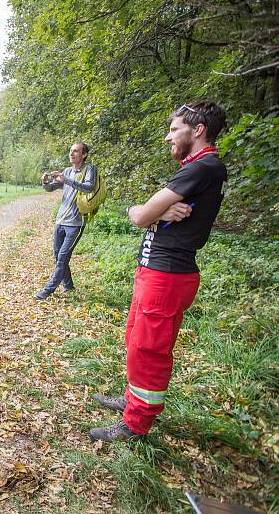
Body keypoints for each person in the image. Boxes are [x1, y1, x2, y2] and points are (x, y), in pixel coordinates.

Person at [89, 100, 227, 442]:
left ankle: (135, 423)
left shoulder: (203, 166)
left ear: (198, 130)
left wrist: (150, 212)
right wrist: (156, 212)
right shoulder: (196, 167)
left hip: (168, 275)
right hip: (155, 270)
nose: (168, 137)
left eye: (174, 129)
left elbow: (138, 216)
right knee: (136, 341)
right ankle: (132, 399)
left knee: (149, 349)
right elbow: (137, 210)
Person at [36, 142, 96, 300]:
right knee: (58, 256)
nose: (71, 154)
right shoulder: (67, 170)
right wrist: (45, 182)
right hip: (60, 220)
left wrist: (67, 180)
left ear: (84, 155)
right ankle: (69, 286)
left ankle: (48, 290)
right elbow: (51, 188)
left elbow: (89, 188)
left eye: (75, 151)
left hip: (76, 224)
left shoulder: (89, 170)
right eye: (71, 151)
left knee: (63, 257)